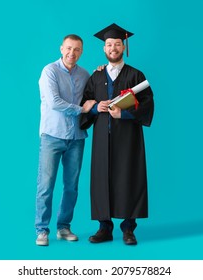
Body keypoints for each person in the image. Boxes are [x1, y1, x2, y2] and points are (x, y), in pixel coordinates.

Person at [80, 23, 154, 245]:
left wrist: (126, 114)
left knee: (129, 177)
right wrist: (95, 108)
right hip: (102, 137)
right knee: (102, 179)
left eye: (117, 44)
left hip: (128, 138)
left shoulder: (136, 75)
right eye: (109, 44)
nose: (113, 48)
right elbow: (84, 103)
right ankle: (104, 227)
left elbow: (148, 103)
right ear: (104, 49)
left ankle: (128, 228)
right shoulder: (95, 76)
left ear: (124, 47)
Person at [35, 34, 96, 246]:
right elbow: (54, 102)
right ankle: (42, 230)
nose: (72, 53)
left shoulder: (85, 74)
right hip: (52, 135)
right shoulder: (49, 71)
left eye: (77, 49)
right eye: (69, 48)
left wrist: (100, 74)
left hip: (77, 137)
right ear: (62, 48)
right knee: (46, 185)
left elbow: (93, 94)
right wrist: (81, 109)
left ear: (81, 52)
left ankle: (63, 227)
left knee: (71, 186)